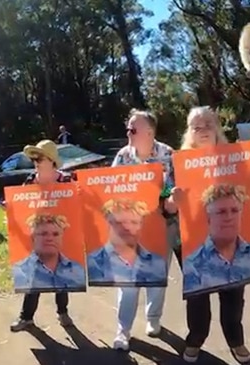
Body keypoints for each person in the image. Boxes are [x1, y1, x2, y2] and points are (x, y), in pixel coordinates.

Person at [164, 106, 250, 363]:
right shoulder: (177, 163)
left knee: (233, 295)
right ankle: (196, 339)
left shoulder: (237, 159)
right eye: (196, 127)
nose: (202, 131)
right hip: (190, 241)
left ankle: (236, 339)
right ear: (189, 131)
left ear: (217, 128)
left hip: (236, 242)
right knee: (198, 299)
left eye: (207, 125)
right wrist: (172, 201)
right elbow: (165, 205)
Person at [109, 109, 173, 351]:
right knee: (127, 282)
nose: (128, 133)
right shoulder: (122, 156)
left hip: (159, 225)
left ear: (150, 131)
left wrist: (167, 199)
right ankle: (122, 331)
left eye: (133, 129)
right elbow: (110, 186)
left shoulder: (168, 154)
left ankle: (153, 319)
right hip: (128, 228)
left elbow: (173, 187)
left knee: (157, 277)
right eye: (127, 128)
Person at [10, 140, 76, 332]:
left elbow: (77, 207)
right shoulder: (31, 180)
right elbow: (22, 207)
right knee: (34, 277)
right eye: (34, 158)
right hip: (37, 237)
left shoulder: (66, 180)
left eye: (40, 157)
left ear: (52, 160)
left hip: (60, 236)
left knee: (61, 277)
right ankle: (26, 318)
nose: (35, 161)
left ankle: (63, 313)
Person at [87, 199, 167, 285]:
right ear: (109, 224)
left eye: (134, 222)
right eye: (120, 223)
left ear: (141, 225)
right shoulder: (92, 262)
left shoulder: (157, 263)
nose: (127, 228)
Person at [12, 214, 85, 291]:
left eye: (55, 234)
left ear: (62, 237)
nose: (50, 238)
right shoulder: (20, 271)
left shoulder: (77, 269)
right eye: (43, 234)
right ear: (33, 238)